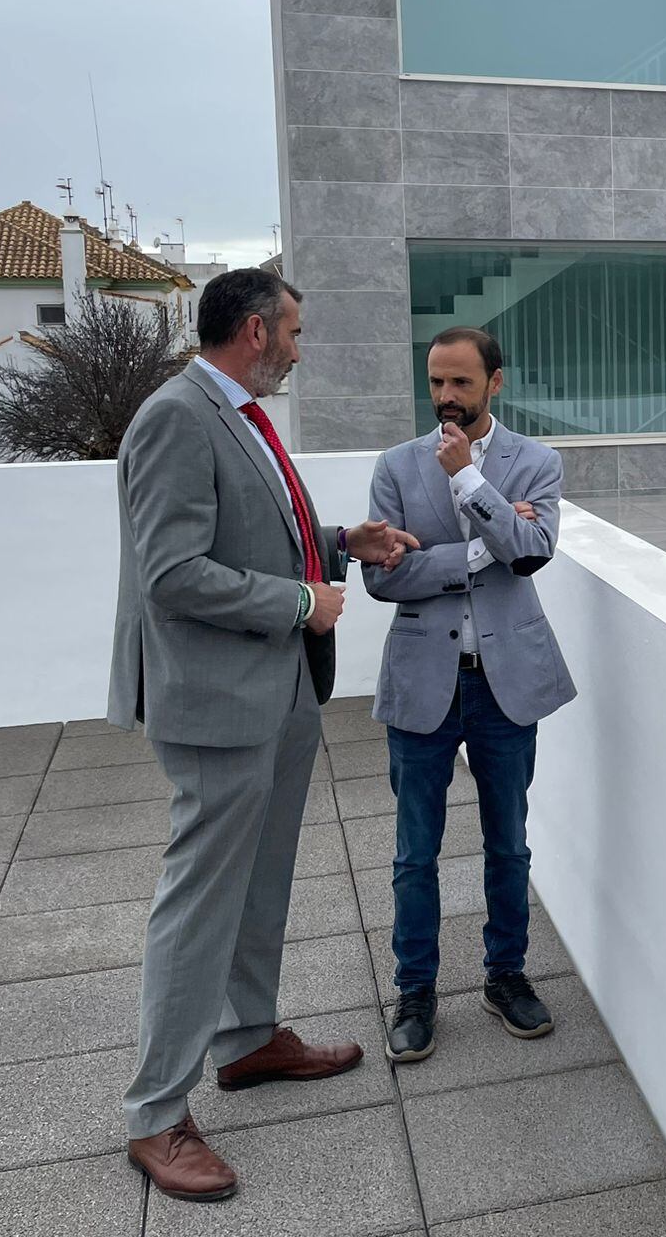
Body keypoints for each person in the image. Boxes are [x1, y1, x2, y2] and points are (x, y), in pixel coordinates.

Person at [108, 268, 418, 1202]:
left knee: (264, 877)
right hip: (216, 698)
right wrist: (298, 601)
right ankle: (156, 1115)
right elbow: (171, 573)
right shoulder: (176, 415)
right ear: (253, 331)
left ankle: (246, 1041)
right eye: (293, 330)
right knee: (201, 898)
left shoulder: (234, 412)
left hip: (275, 689)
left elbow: (254, 528)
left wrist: (337, 544)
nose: (299, 345)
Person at [363, 326, 577, 1064]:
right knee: (413, 854)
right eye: (435, 383)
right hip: (425, 679)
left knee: (507, 846)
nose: (446, 399)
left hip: (504, 686)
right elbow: (385, 577)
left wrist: (468, 484)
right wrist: (490, 544)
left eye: (460, 383)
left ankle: (505, 976)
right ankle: (414, 988)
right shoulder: (395, 467)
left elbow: (535, 553)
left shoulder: (538, 463)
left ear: (496, 383)